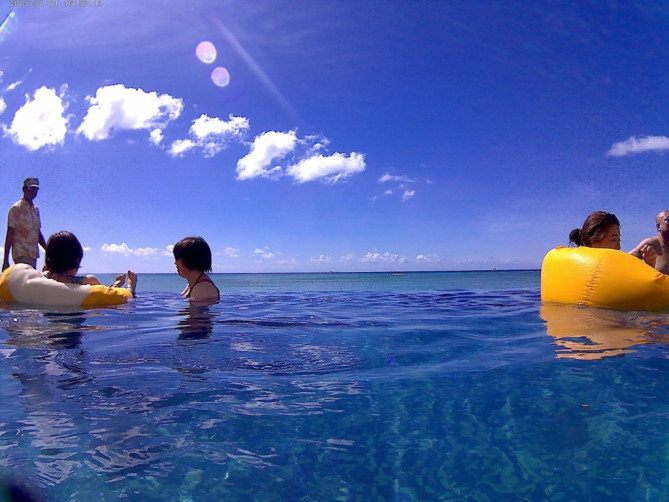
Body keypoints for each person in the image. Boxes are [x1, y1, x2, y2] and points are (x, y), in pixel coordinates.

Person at [44, 231, 137, 295]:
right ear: (77, 259)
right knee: (121, 294)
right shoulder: (88, 281)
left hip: (50, 320)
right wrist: (130, 289)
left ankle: (116, 285)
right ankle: (129, 287)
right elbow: (105, 295)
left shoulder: (42, 278)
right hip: (76, 322)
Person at [569, 210, 657, 266]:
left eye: (619, 240)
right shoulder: (576, 267)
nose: (619, 247)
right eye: (613, 240)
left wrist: (650, 265)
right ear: (594, 241)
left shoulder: (616, 268)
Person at [3, 177, 47, 270]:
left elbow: (37, 232)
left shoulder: (35, 209)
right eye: (31, 189)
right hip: (21, 253)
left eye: (36, 189)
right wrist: (5, 260)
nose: (33, 192)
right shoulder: (16, 209)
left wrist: (48, 248)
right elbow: (9, 234)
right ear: (24, 189)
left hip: (33, 254)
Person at [173, 236, 220, 301]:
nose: (175, 263)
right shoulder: (193, 283)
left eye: (176, 258)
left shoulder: (202, 288)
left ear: (186, 260)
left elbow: (194, 311)